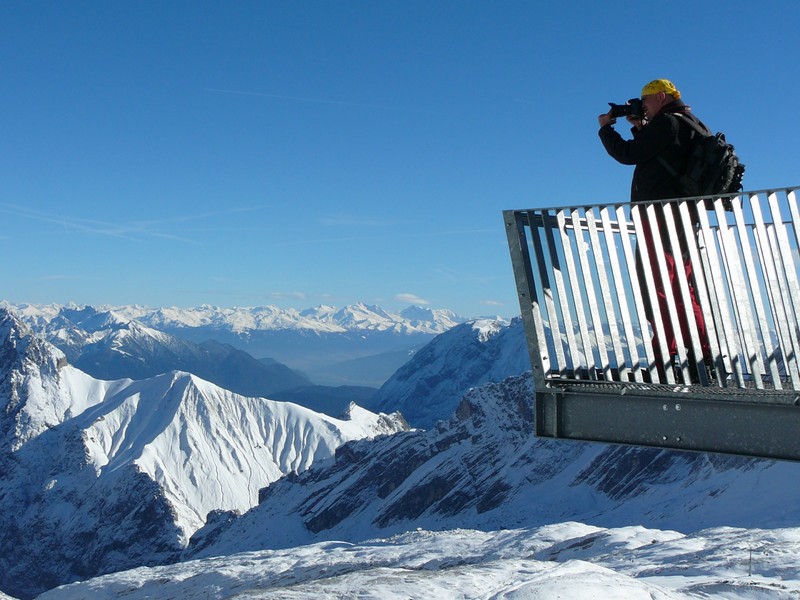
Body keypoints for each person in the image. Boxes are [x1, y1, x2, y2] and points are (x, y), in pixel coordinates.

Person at [597, 79, 711, 382]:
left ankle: (666, 363)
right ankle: (701, 356)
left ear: (661, 97)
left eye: (645, 100)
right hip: (684, 219)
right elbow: (660, 155)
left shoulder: (667, 125)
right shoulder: (692, 123)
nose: (642, 105)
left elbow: (628, 154)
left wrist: (606, 129)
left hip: (658, 218)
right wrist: (639, 126)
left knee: (658, 288)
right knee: (682, 289)